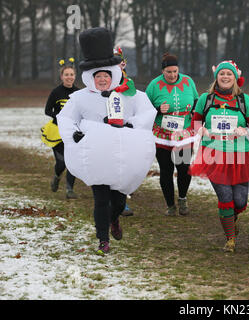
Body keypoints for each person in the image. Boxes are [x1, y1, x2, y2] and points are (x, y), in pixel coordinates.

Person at [57, 27, 157, 255]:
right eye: (98, 77)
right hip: (96, 157)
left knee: (119, 203)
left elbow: (147, 112)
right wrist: (74, 134)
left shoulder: (131, 95)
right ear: (91, 78)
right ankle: (103, 239)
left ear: (113, 74)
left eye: (106, 76)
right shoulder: (79, 98)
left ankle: (114, 220)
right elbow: (65, 118)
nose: (102, 80)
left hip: (124, 158)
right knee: (100, 200)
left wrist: (132, 125)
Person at [188, 60, 249, 252]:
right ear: (216, 77)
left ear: (235, 78)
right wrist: (201, 129)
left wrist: (244, 131)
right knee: (225, 196)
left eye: (229, 74)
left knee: (240, 201)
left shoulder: (245, 100)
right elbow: (194, 123)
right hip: (213, 154)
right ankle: (230, 239)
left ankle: (232, 218)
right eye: (222, 74)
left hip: (239, 156)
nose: (225, 77)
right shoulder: (206, 99)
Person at [145, 53, 199, 216]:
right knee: (166, 170)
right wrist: (157, 110)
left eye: (175, 71)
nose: (173, 75)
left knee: (184, 168)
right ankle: (170, 205)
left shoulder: (188, 81)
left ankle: (182, 198)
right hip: (163, 135)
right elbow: (144, 109)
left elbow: (196, 101)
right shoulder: (154, 85)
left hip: (184, 133)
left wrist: (196, 117)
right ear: (163, 71)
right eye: (169, 72)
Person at [41, 58, 79, 199]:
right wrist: (60, 117)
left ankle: (70, 190)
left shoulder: (78, 93)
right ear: (62, 77)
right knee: (62, 162)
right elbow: (47, 110)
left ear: (75, 76)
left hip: (73, 131)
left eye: (71, 75)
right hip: (57, 132)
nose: (69, 77)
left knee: (72, 162)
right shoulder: (56, 92)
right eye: (66, 75)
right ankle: (57, 177)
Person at [114, 46, 135, 217]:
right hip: (106, 129)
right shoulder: (101, 80)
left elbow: (134, 96)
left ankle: (122, 202)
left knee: (124, 165)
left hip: (125, 129)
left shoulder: (128, 82)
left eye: (119, 62)